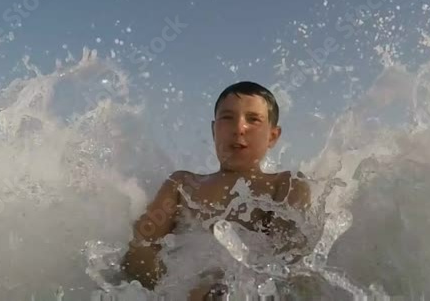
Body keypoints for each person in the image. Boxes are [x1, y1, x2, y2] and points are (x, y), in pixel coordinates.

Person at [120, 81, 312, 299]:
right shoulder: (182, 185)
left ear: (272, 136)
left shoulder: (286, 184)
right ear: (214, 130)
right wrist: (177, 288)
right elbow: (139, 249)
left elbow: (285, 260)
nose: (239, 128)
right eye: (227, 118)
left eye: (253, 119)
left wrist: (226, 289)